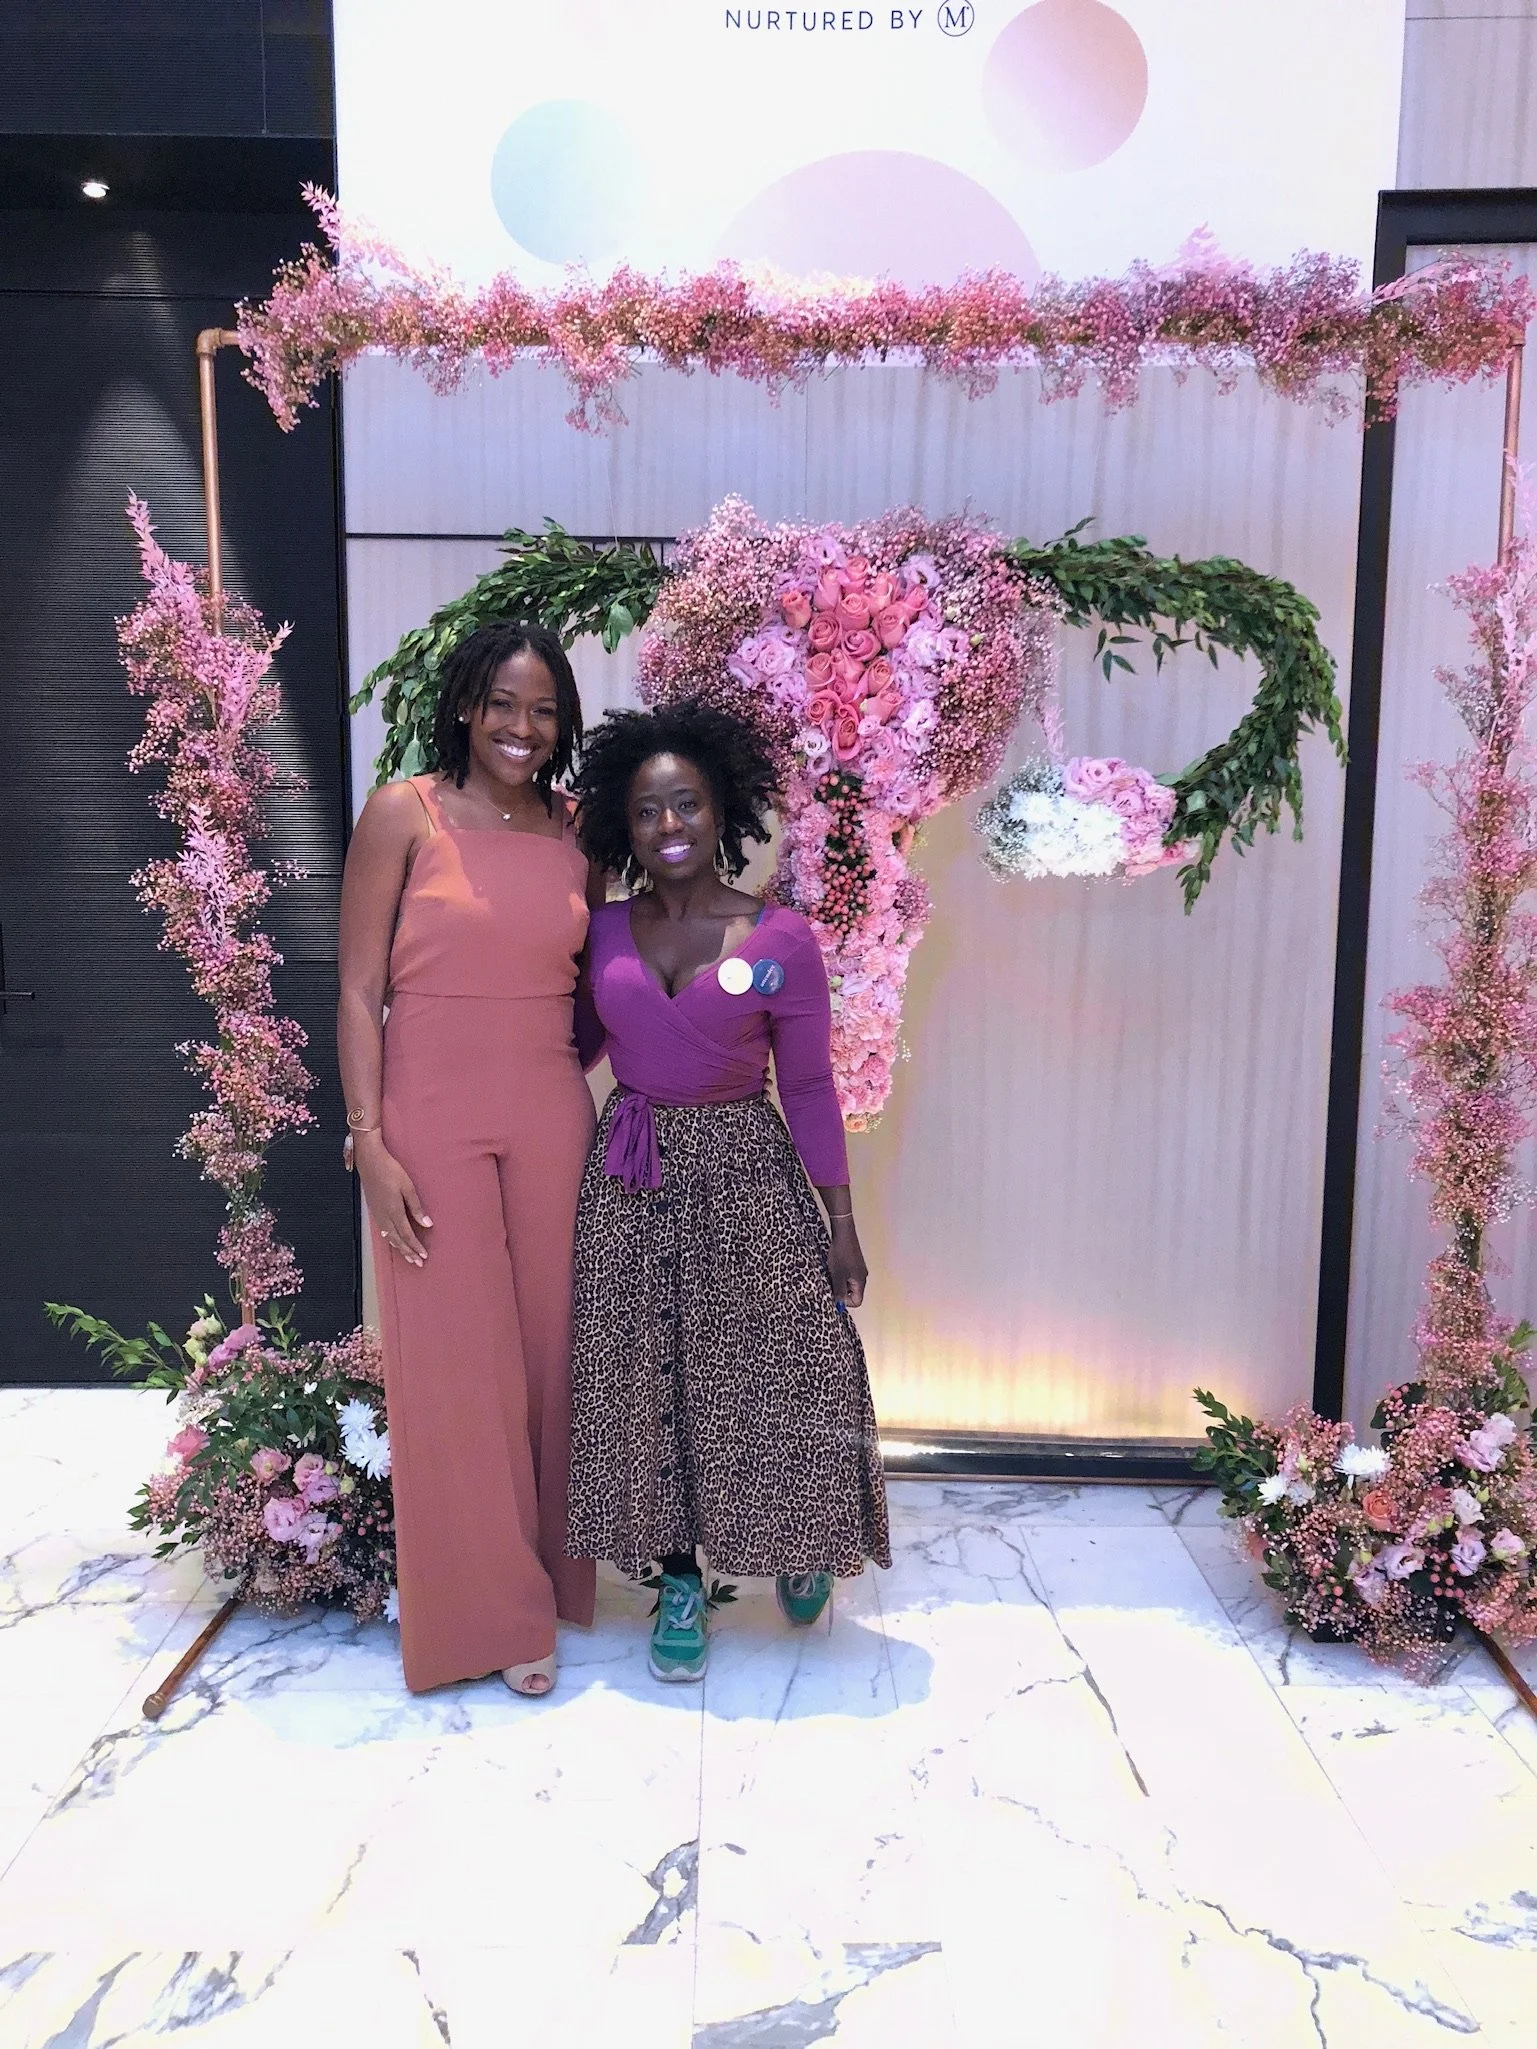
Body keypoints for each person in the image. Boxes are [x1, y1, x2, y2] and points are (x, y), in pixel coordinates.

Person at [566, 700, 890, 1683]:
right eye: (648, 810)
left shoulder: (779, 939)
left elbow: (806, 1085)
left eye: (688, 806)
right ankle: (674, 1577)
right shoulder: (604, 930)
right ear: (623, 827)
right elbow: (565, 1051)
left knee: (782, 1364)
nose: (669, 826)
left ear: (722, 814)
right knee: (648, 1377)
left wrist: (841, 1220)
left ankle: (799, 1537)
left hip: (748, 1171)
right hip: (630, 1175)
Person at [336, 621, 602, 1696]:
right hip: (427, 1108)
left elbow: (607, 979)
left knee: (551, 1352)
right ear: (463, 705)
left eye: (543, 710)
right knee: (456, 1361)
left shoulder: (581, 828)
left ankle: (552, 1578)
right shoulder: (406, 810)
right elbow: (358, 989)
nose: (522, 729)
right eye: (503, 704)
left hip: (550, 1103)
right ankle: (493, 1616)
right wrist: (368, 1140)